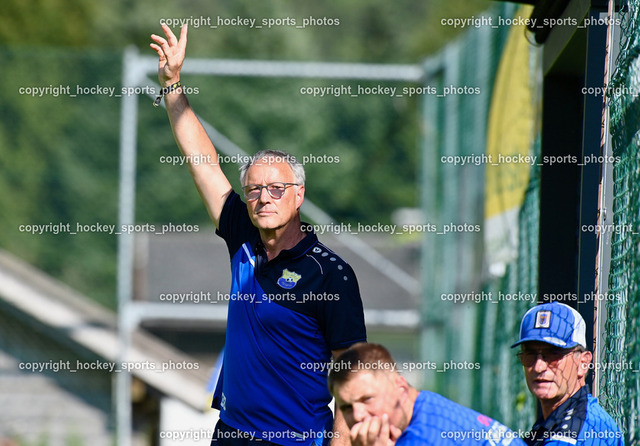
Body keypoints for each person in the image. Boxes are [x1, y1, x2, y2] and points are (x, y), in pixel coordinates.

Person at [150, 24, 367, 446]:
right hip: (231, 434)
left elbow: (352, 372)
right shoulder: (243, 236)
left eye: (276, 188)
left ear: (299, 195)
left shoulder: (331, 274)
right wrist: (172, 85)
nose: (264, 197)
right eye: (254, 189)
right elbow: (203, 164)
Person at [328, 343, 526, 446]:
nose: (358, 415)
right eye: (347, 407)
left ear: (401, 387)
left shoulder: (426, 438)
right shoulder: (425, 405)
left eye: (367, 399)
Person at [511, 302, 624, 445]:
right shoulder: (554, 421)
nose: (539, 367)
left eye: (553, 354)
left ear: (583, 363)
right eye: (530, 354)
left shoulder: (586, 428)